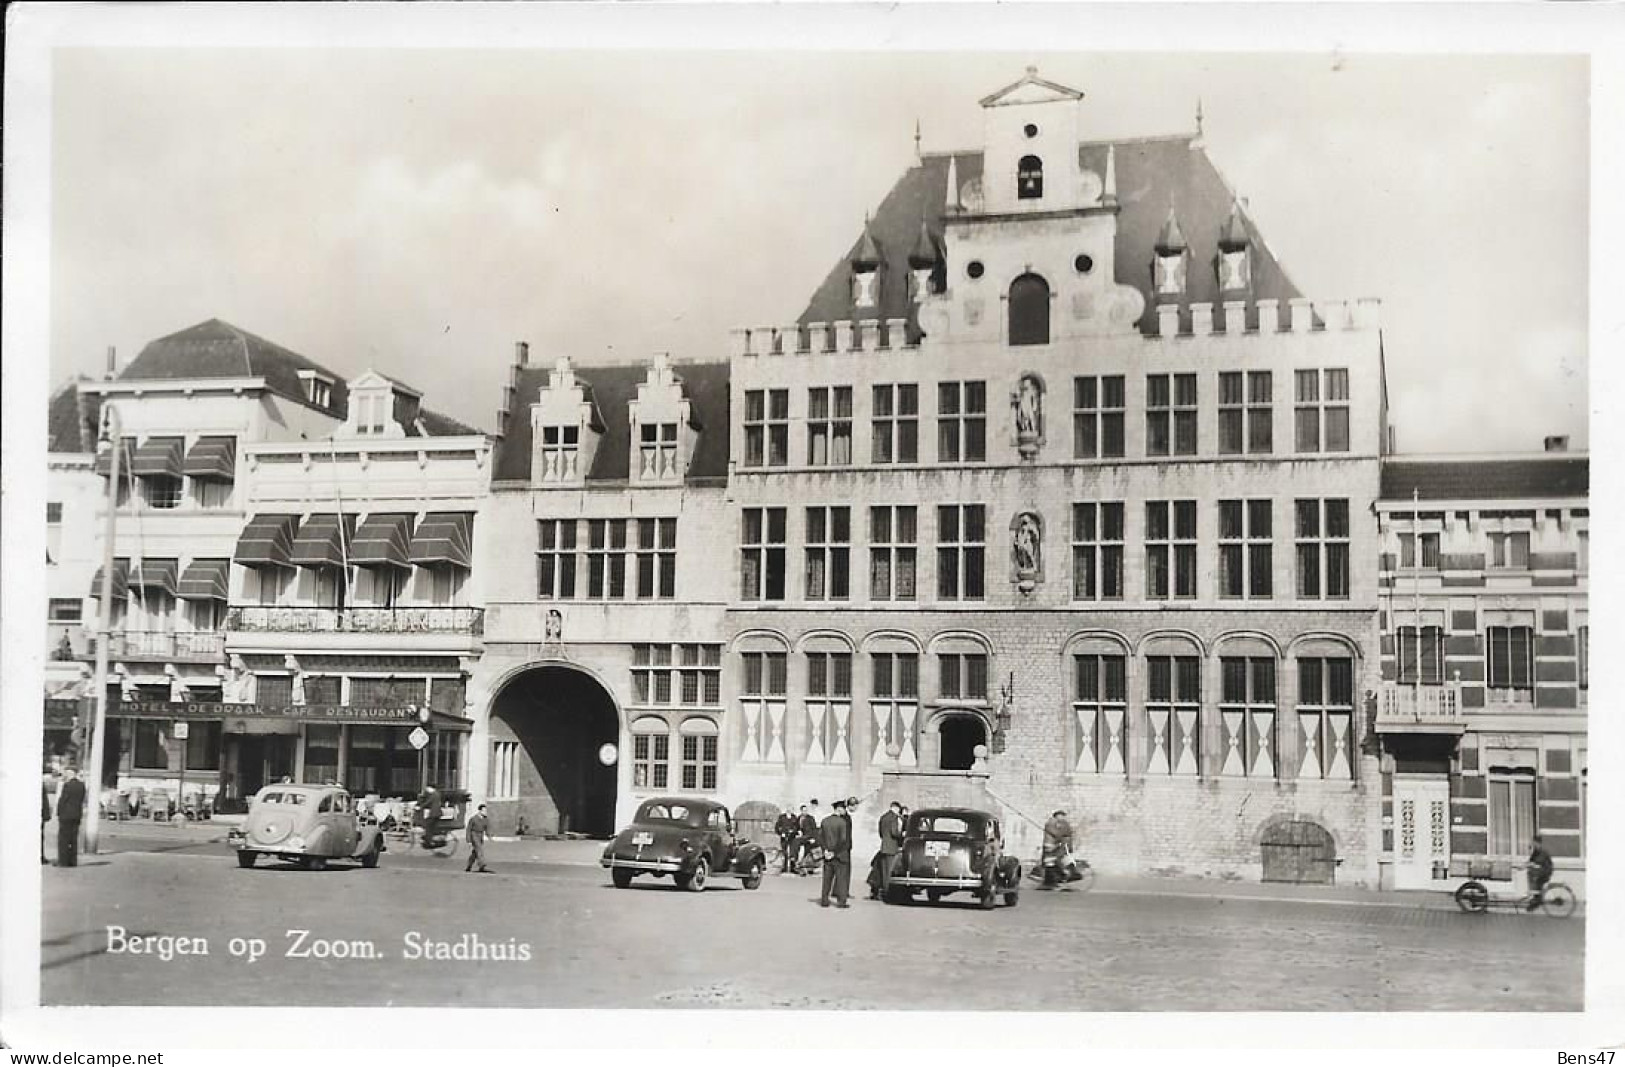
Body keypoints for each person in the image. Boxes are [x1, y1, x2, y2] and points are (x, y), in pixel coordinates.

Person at [818, 798, 852, 908]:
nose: (845, 811)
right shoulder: (842, 822)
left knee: (827, 879)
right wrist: (834, 852)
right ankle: (841, 902)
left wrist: (826, 850)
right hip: (839, 855)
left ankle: (824, 900)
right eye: (844, 809)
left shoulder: (825, 820)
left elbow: (820, 838)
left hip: (827, 855)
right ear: (839, 809)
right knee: (841, 878)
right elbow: (843, 841)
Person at [869, 800, 905, 900]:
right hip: (892, 847)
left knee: (884, 871)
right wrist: (901, 835)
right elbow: (894, 832)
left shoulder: (883, 817)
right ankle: (887, 893)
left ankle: (883, 891)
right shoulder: (894, 818)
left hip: (884, 847)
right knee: (889, 872)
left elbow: (880, 833)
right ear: (896, 808)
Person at [56, 767, 87, 868]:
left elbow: (63, 800)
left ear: (70, 773)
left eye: (66, 773)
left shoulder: (67, 785)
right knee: (73, 839)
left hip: (66, 815)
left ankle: (63, 861)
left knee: (63, 839)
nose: (65, 775)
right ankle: (73, 861)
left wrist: (58, 812)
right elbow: (82, 799)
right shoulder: (81, 785)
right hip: (77, 814)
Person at [1040, 809, 1074, 889]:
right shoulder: (1051, 823)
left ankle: (1053, 880)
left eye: (1063, 816)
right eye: (1061, 816)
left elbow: (1066, 833)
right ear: (1057, 816)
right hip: (1049, 845)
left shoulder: (1060, 824)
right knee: (1050, 862)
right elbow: (1055, 833)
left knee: (1054, 861)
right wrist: (1061, 836)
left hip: (1055, 846)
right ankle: (1050, 881)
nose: (1063, 817)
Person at [1524, 835, 1554, 912]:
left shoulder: (1542, 851)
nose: (1533, 844)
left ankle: (1535, 898)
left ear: (1538, 843)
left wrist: (1533, 864)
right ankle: (1535, 896)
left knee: (1532, 874)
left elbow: (1540, 861)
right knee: (1530, 872)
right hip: (1540, 870)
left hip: (1545, 871)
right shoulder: (1536, 851)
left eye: (1534, 843)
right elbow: (1531, 860)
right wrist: (1525, 864)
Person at [464, 803, 492, 874]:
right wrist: (469, 840)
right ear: (479, 811)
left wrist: (489, 836)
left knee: (475, 852)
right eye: (484, 811)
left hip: (480, 835)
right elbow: (468, 830)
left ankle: (469, 865)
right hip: (474, 834)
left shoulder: (486, 819)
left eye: (486, 811)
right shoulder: (473, 819)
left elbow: (487, 828)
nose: (485, 812)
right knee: (479, 849)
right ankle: (482, 864)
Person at [796, 801, 820, 875]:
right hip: (803, 837)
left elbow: (814, 829)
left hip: (809, 837)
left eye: (806, 810)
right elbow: (797, 827)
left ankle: (807, 868)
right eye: (803, 810)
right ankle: (802, 867)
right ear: (801, 811)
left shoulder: (810, 818)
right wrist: (798, 832)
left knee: (808, 852)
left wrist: (814, 838)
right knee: (804, 852)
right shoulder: (799, 818)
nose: (805, 812)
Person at [774, 808, 798, 875]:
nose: (789, 810)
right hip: (784, 838)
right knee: (784, 852)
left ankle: (793, 867)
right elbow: (777, 827)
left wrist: (793, 831)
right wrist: (781, 833)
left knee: (793, 852)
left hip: (792, 837)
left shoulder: (794, 817)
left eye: (790, 809)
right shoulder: (782, 817)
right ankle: (784, 867)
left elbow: (797, 827)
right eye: (788, 809)